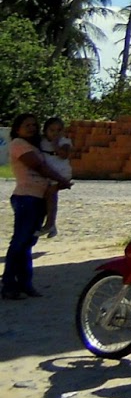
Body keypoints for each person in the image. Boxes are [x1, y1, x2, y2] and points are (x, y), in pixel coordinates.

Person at [5, 114, 72, 300]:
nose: (31, 128)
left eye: (34, 125)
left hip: (38, 198)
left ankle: (25, 284)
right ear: (17, 128)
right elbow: (39, 167)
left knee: (27, 244)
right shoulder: (19, 144)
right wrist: (61, 180)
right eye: (27, 125)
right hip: (26, 197)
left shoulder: (37, 145)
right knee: (19, 242)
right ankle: (9, 284)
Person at [38, 116, 73, 240]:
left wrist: (55, 144)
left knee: (51, 195)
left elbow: (64, 155)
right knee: (46, 197)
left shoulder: (65, 142)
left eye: (59, 130)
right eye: (52, 130)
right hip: (47, 171)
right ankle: (51, 224)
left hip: (60, 171)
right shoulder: (42, 141)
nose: (55, 133)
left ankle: (49, 223)